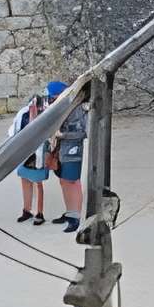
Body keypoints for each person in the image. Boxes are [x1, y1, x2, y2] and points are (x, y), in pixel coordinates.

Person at [46, 81, 89, 231]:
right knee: (64, 181)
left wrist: (63, 135)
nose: (51, 99)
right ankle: (70, 212)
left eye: (53, 96)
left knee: (73, 182)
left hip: (73, 151)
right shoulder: (59, 108)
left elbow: (84, 132)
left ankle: (76, 217)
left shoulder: (77, 108)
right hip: (61, 150)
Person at [9, 87, 52, 225]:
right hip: (23, 152)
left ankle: (39, 213)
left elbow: (48, 134)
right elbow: (13, 131)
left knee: (38, 183)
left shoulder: (44, 114)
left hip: (38, 153)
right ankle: (26, 210)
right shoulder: (23, 114)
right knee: (25, 180)